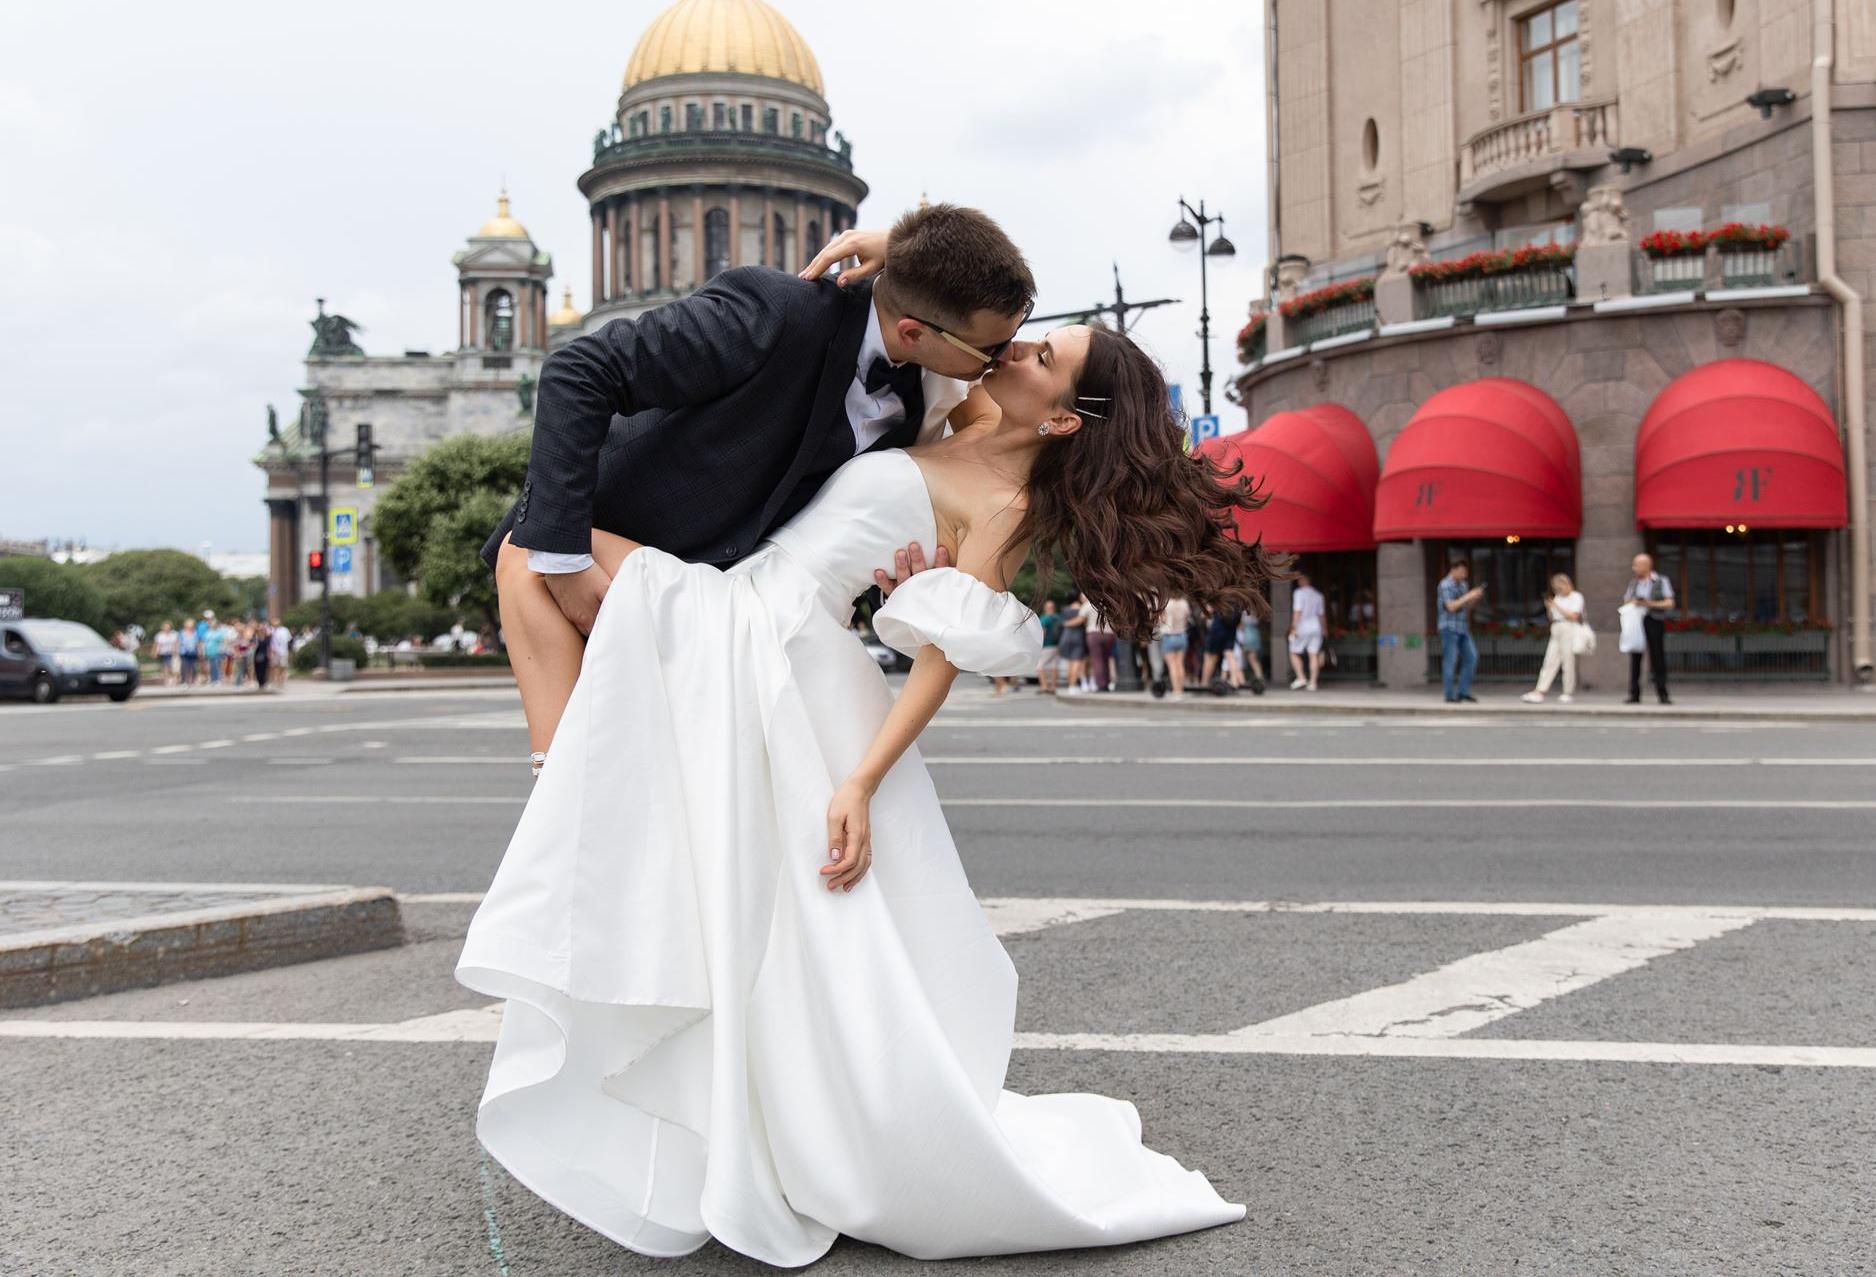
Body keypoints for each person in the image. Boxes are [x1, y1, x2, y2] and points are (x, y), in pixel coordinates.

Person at [456, 316, 1271, 1266]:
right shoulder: (958, 407)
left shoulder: (1007, 501)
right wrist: (895, 247)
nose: (1019, 349)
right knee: (757, 911)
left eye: (1045, 359)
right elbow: (938, 300)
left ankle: (562, 795)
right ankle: (568, 799)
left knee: (531, 550)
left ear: (1063, 424)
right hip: (754, 612)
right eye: (1033, 337)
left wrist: (863, 780)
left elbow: (936, 659)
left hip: (770, 641)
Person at [486, 204, 1034, 779]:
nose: (1003, 358)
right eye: (991, 351)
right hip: (603, 569)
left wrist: (897, 586)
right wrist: (565, 561)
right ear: (913, 331)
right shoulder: (775, 311)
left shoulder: (925, 391)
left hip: (742, 604)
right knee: (577, 783)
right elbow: (578, 370)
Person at [1522, 572, 1586, 704]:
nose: (1560, 589)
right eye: (1557, 587)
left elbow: (1573, 616)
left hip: (1568, 628)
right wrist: (1549, 608)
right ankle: (1540, 691)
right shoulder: (1558, 597)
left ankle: (1568, 692)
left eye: (1561, 586)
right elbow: (1552, 617)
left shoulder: (1576, 597)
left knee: (1568, 662)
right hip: (1556, 628)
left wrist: (1557, 607)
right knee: (1550, 660)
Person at [1623, 552, 1676, 704]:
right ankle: (1634, 693)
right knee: (1635, 657)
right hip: (1636, 621)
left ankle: (1662, 693)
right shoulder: (1633, 583)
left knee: (1657, 656)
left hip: (1654, 619)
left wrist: (1650, 604)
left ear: (1647, 566)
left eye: (1637, 565)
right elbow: (1625, 600)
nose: (1634, 568)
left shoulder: (1660, 581)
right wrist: (1634, 602)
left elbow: (1669, 602)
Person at [1437, 559, 1485, 704]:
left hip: (1462, 628)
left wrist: (1475, 598)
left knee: (1471, 658)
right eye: (1462, 572)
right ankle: (1449, 695)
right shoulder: (1445, 585)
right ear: (1454, 569)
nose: (1464, 575)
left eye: (1466, 573)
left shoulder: (1463, 585)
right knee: (1450, 661)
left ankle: (1463, 692)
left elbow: (1467, 606)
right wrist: (1468, 596)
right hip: (1449, 628)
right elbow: (1451, 606)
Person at [1149, 593, 1192, 697]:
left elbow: (1161, 621)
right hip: (1182, 635)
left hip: (1169, 636)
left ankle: (1176, 690)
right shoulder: (1184, 603)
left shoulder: (1168, 604)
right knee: (1180, 664)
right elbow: (1187, 619)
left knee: (1172, 666)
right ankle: (1181, 689)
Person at [1288, 570, 1324, 689]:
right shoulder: (1318, 595)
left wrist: (1294, 627)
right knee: (1313, 654)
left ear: (1302, 581)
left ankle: (1301, 677)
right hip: (1316, 626)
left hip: (1303, 626)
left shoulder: (1299, 593)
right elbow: (1321, 615)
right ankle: (1313, 683)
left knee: (1293, 651)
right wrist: (1325, 630)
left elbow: (1298, 611)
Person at [1056, 592, 1090, 692]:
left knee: (1070, 662)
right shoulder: (1082, 608)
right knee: (1077, 662)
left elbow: (1063, 622)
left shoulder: (1064, 609)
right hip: (1078, 637)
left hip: (1065, 637)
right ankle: (1073, 686)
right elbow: (1084, 622)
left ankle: (1070, 685)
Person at [1084, 601, 1117, 691]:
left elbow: (1082, 618)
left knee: (1097, 659)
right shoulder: (1110, 603)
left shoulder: (1089, 604)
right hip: (1109, 634)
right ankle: (1107, 682)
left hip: (1094, 632)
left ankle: (1101, 684)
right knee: (1105, 658)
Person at [1035, 597, 1062, 693]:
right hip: (1057, 645)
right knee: (1054, 666)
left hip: (1047, 645)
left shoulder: (1045, 618)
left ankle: (1044, 686)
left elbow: (1043, 631)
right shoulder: (1059, 618)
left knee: (1039, 666)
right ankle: (1053, 687)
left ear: (1046, 608)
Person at [1237, 606, 1267, 692]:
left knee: (1240, 656)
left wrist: (1238, 632)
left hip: (1247, 632)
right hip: (1254, 631)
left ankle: (1240, 678)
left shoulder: (1246, 608)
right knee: (1253, 658)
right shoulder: (1256, 608)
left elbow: (1242, 622)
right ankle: (1259, 676)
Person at [153, 621, 178, 686]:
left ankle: (172, 678)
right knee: (165, 666)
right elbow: (157, 644)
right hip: (163, 653)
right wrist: (156, 652)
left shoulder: (174, 634)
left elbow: (176, 643)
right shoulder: (159, 635)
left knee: (170, 666)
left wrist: (175, 651)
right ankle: (167, 679)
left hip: (171, 652)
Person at [268, 619, 291, 690]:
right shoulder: (270, 630)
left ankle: (281, 681)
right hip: (274, 652)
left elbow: (288, 640)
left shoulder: (285, 630)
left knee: (282, 667)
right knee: (274, 666)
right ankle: (276, 680)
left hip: (283, 651)